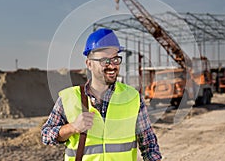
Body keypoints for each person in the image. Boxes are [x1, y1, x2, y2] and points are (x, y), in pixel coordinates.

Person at [41, 28, 162, 161]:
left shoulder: (132, 98)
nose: (112, 66)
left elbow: (149, 145)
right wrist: (72, 127)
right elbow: (46, 135)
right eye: (105, 60)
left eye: (115, 59)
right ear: (89, 64)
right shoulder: (69, 98)